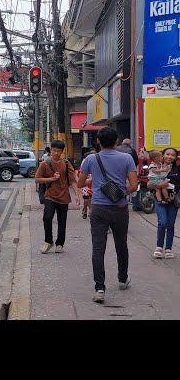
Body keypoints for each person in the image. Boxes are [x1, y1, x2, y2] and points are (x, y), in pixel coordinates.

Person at [78, 127, 138, 304]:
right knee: (121, 244)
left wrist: (94, 181)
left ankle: (99, 288)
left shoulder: (90, 158)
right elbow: (133, 186)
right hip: (119, 208)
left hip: (98, 209)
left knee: (98, 248)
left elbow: (81, 182)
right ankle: (122, 279)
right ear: (117, 141)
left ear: (98, 141)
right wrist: (119, 192)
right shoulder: (126, 158)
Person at [35, 140, 80, 254]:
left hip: (63, 196)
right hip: (50, 195)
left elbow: (72, 180)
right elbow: (37, 179)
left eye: (58, 151)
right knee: (47, 217)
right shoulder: (45, 164)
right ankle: (48, 241)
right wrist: (51, 179)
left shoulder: (65, 163)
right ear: (51, 150)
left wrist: (77, 195)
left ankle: (60, 244)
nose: (55, 153)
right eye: (54, 150)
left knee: (62, 220)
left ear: (62, 152)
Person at [150, 148, 180, 259]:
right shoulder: (157, 167)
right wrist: (161, 185)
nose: (169, 157)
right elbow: (149, 184)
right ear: (163, 155)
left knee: (170, 224)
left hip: (173, 200)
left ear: (176, 157)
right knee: (162, 222)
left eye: (173, 155)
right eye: (167, 154)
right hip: (159, 200)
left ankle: (168, 248)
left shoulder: (177, 169)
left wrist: (172, 186)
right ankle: (159, 247)